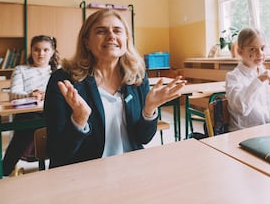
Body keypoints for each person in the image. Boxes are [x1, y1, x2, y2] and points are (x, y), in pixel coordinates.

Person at [44, 9, 185, 168]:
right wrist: (78, 119)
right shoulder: (63, 79)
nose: (111, 36)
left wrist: (149, 109)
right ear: (86, 42)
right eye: (101, 31)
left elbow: (143, 138)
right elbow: (57, 152)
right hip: (84, 174)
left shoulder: (136, 76)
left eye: (117, 30)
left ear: (126, 39)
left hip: (131, 168)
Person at [3, 35, 59, 176]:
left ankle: (58, 167)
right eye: (37, 50)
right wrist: (30, 95)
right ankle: (4, 171)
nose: (41, 54)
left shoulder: (59, 70)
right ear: (31, 51)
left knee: (63, 125)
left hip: (52, 110)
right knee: (29, 124)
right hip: (28, 111)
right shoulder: (20, 69)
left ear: (52, 52)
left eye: (46, 50)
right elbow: (13, 93)